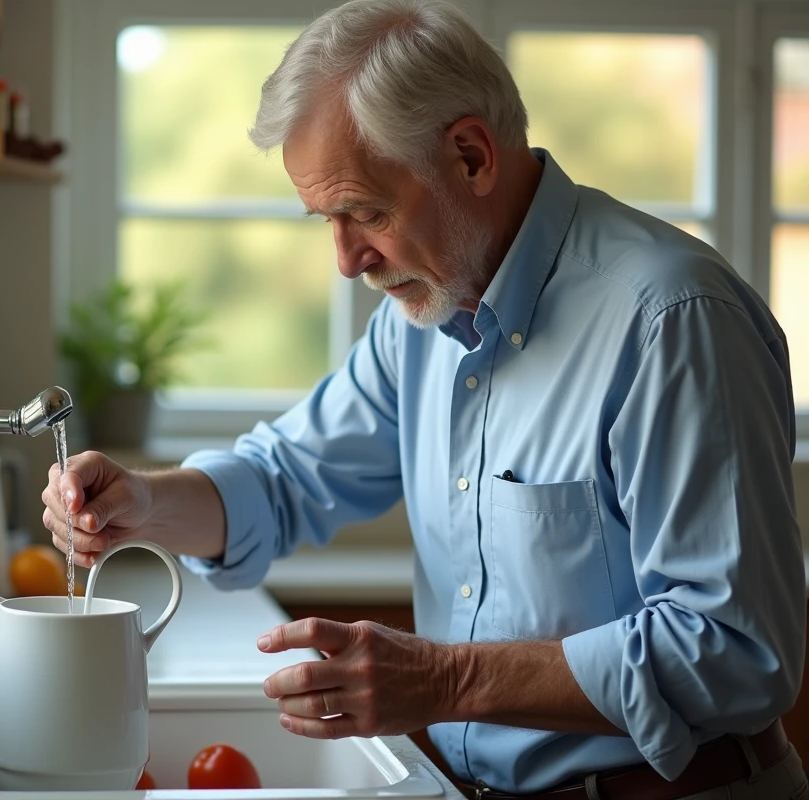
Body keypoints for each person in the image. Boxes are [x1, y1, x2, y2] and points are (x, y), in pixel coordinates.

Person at [41, 0, 808, 796]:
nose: (344, 261)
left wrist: (447, 682)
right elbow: (285, 480)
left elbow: (736, 650)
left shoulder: (672, 322)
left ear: (471, 155)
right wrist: (141, 502)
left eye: (365, 212)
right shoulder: (423, 316)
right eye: (325, 220)